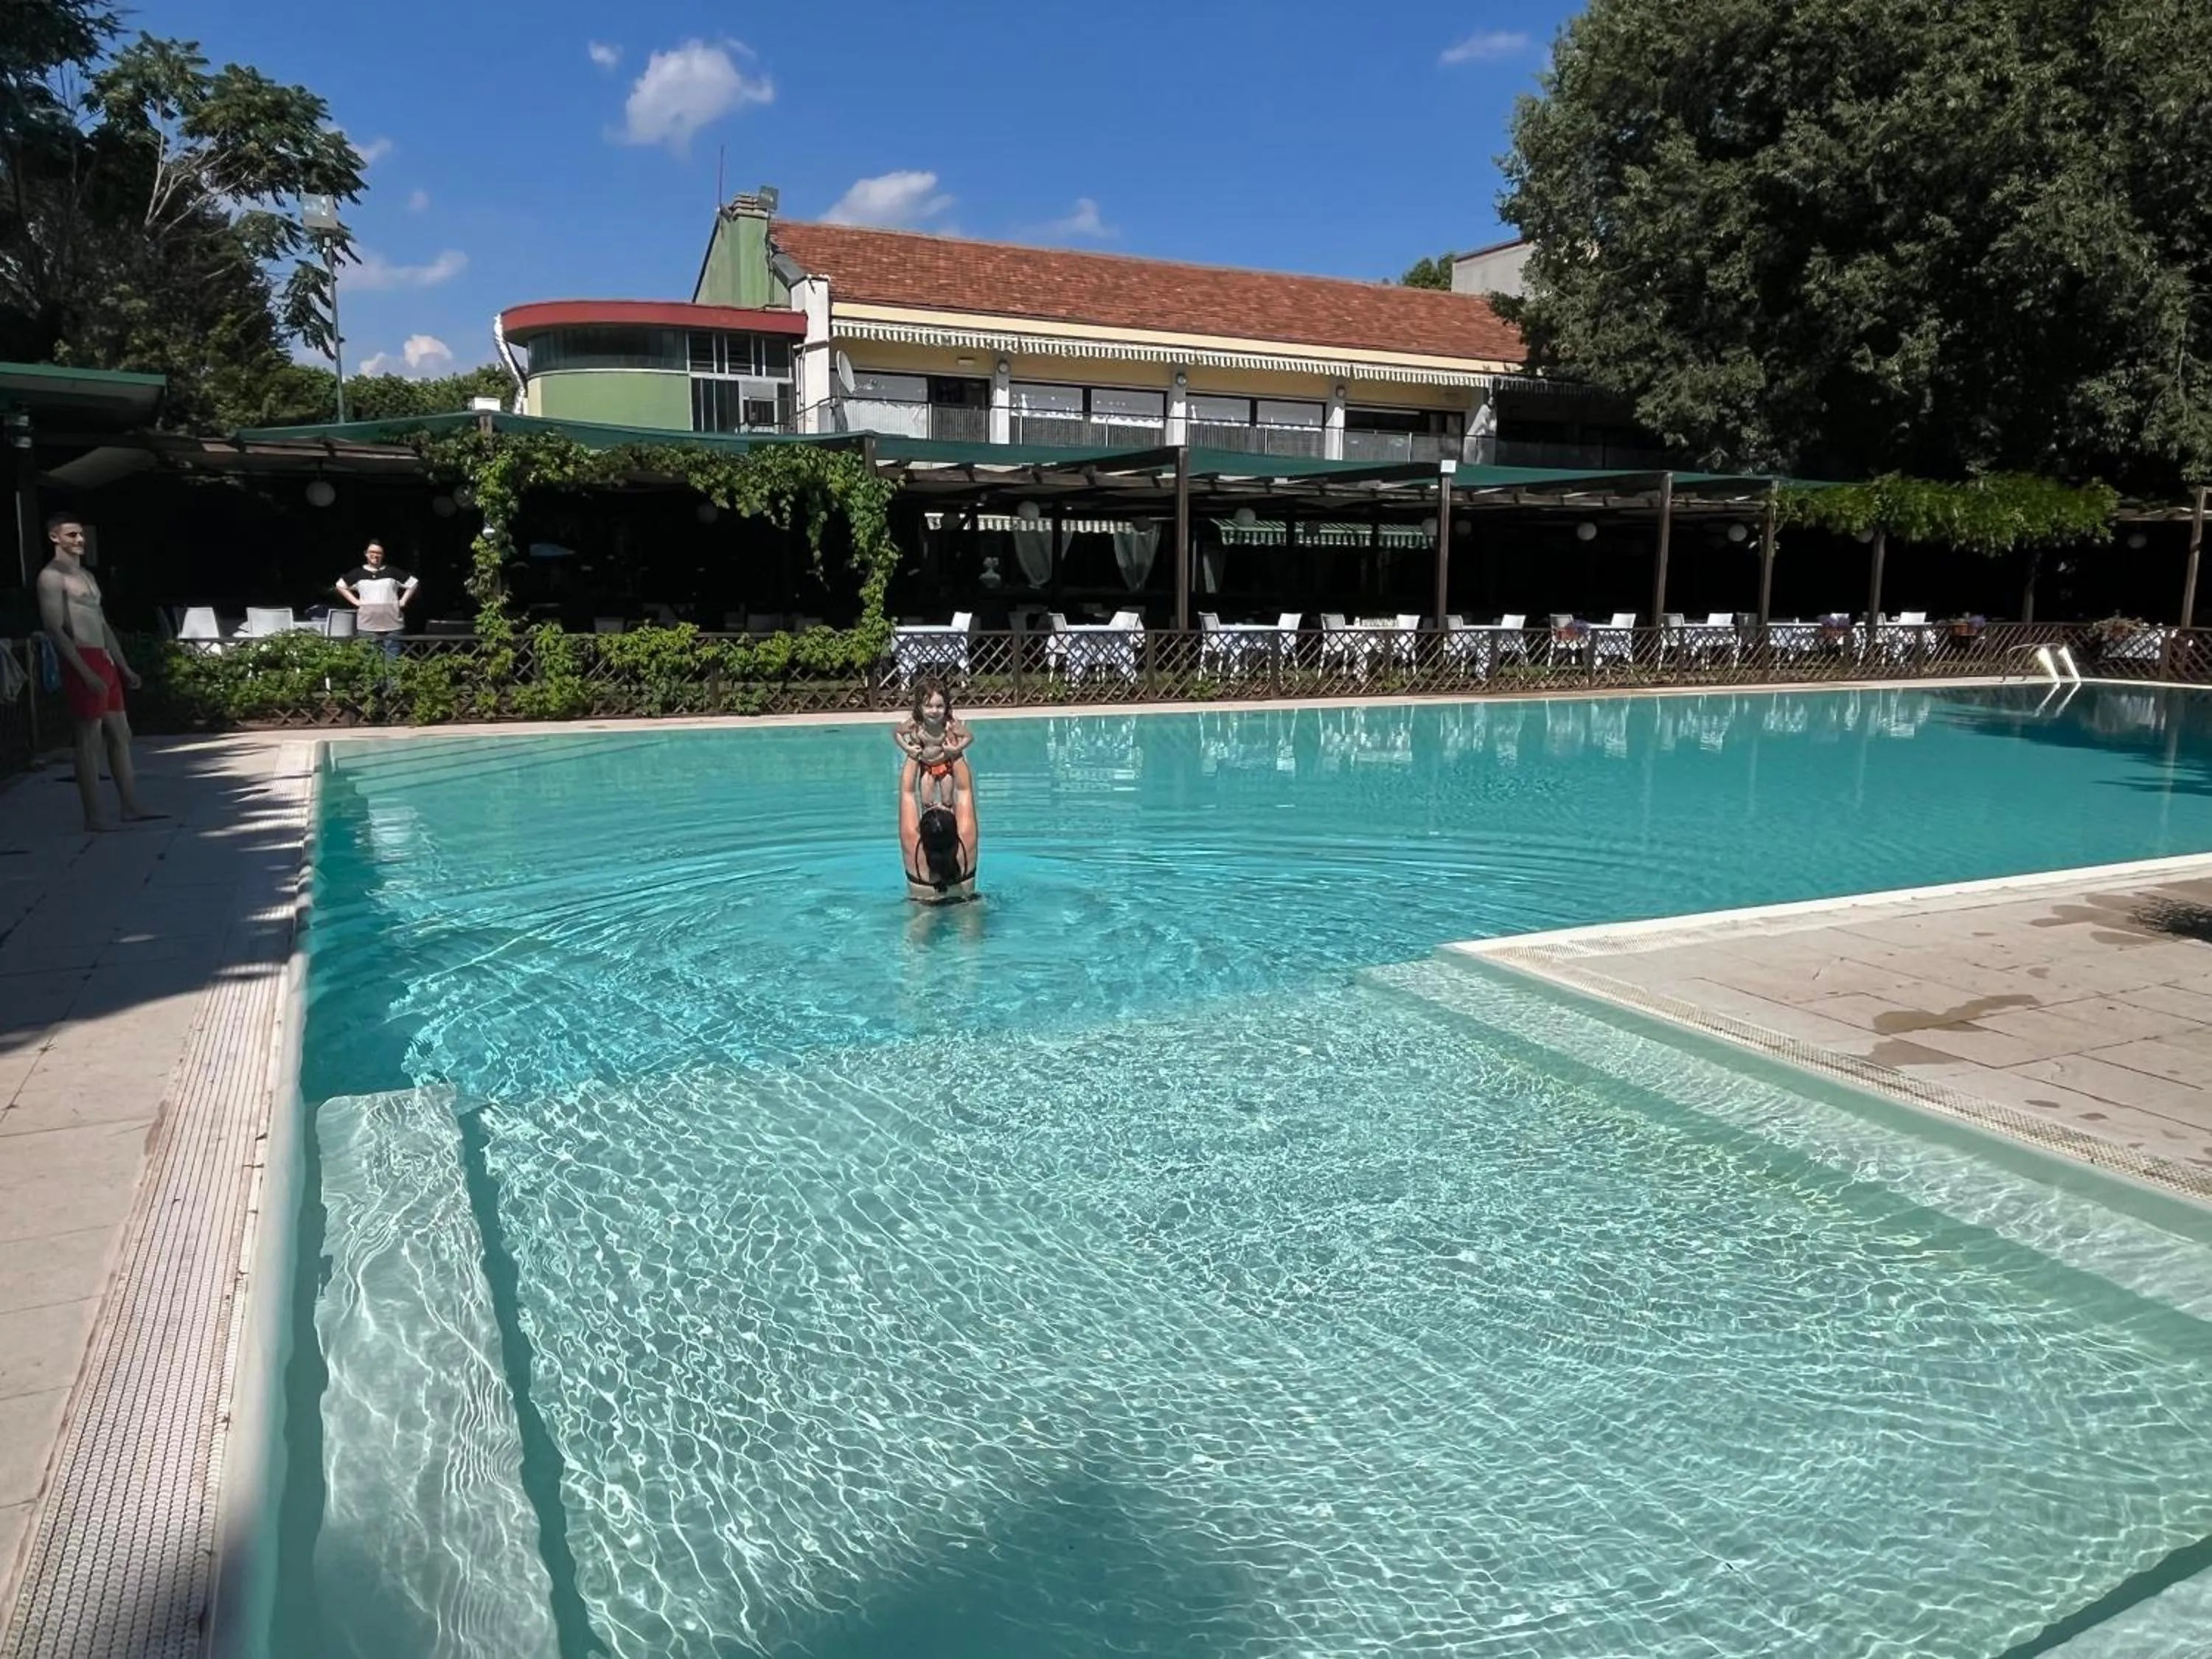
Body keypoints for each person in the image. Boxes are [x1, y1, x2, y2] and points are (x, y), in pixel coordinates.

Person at [35, 512, 157, 832]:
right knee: (89, 739)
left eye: (81, 535)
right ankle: (94, 816)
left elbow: (102, 624)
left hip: (103, 657)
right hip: (82, 658)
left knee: (121, 734)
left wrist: (123, 665)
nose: (79, 540)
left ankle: (130, 806)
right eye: (72, 535)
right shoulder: (51, 577)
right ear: (55, 538)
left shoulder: (87, 576)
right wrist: (84, 671)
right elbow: (54, 628)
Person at [899, 754, 978, 904]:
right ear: (956, 831)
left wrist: (913, 752)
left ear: (921, 833)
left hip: (923, 907)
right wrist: (956, 753)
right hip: (965, 904)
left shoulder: (912, 845)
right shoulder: (966, 843)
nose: (937, 803)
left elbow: (907, 792)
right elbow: (964, 790)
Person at [891, 676, 973, 811]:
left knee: (947, 801)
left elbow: (969, 737)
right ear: (920, 707)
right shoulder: (916, 724)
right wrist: (908, 749)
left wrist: (956, 749)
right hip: (927, 767)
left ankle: (948, 825)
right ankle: (929, 827)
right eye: (928, 706)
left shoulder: (949, 724)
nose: (934, 711)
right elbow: (897, 733)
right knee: (926, 802)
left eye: (939, 706)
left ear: (946, 706)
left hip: (945, 765)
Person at [335, 541, 418, 658]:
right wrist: (356, 602)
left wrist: (403, 601)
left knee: (393, 665)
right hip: (367, 627)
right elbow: (340, 585)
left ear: (383, 555)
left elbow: (413, 583)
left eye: (379, 553)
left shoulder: (392, 572)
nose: (375, 555)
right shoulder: (358, 573)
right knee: (370, 665)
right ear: (366, 554)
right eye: (372, 552)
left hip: (393, 626)